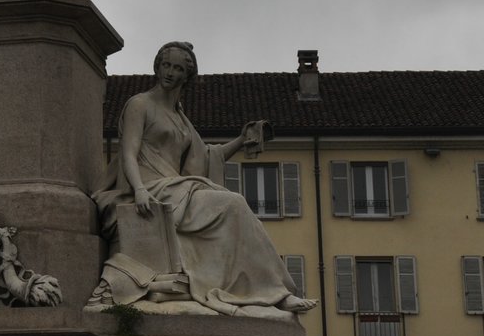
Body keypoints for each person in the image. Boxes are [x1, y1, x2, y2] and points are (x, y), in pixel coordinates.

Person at [91, 42, 316, 316]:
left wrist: (241, 140)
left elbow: (208, 156)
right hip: (151, 190)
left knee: (233, 207)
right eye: (166, 65)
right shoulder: (140, 104)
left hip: (176, 189)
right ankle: (274, 292)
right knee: (233, 205)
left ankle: (274, 293)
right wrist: (138, 189)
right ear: (157, 66)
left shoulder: (181, 119)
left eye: (177, 68)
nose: (170, 73)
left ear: (187, 75)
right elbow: (127, 152)